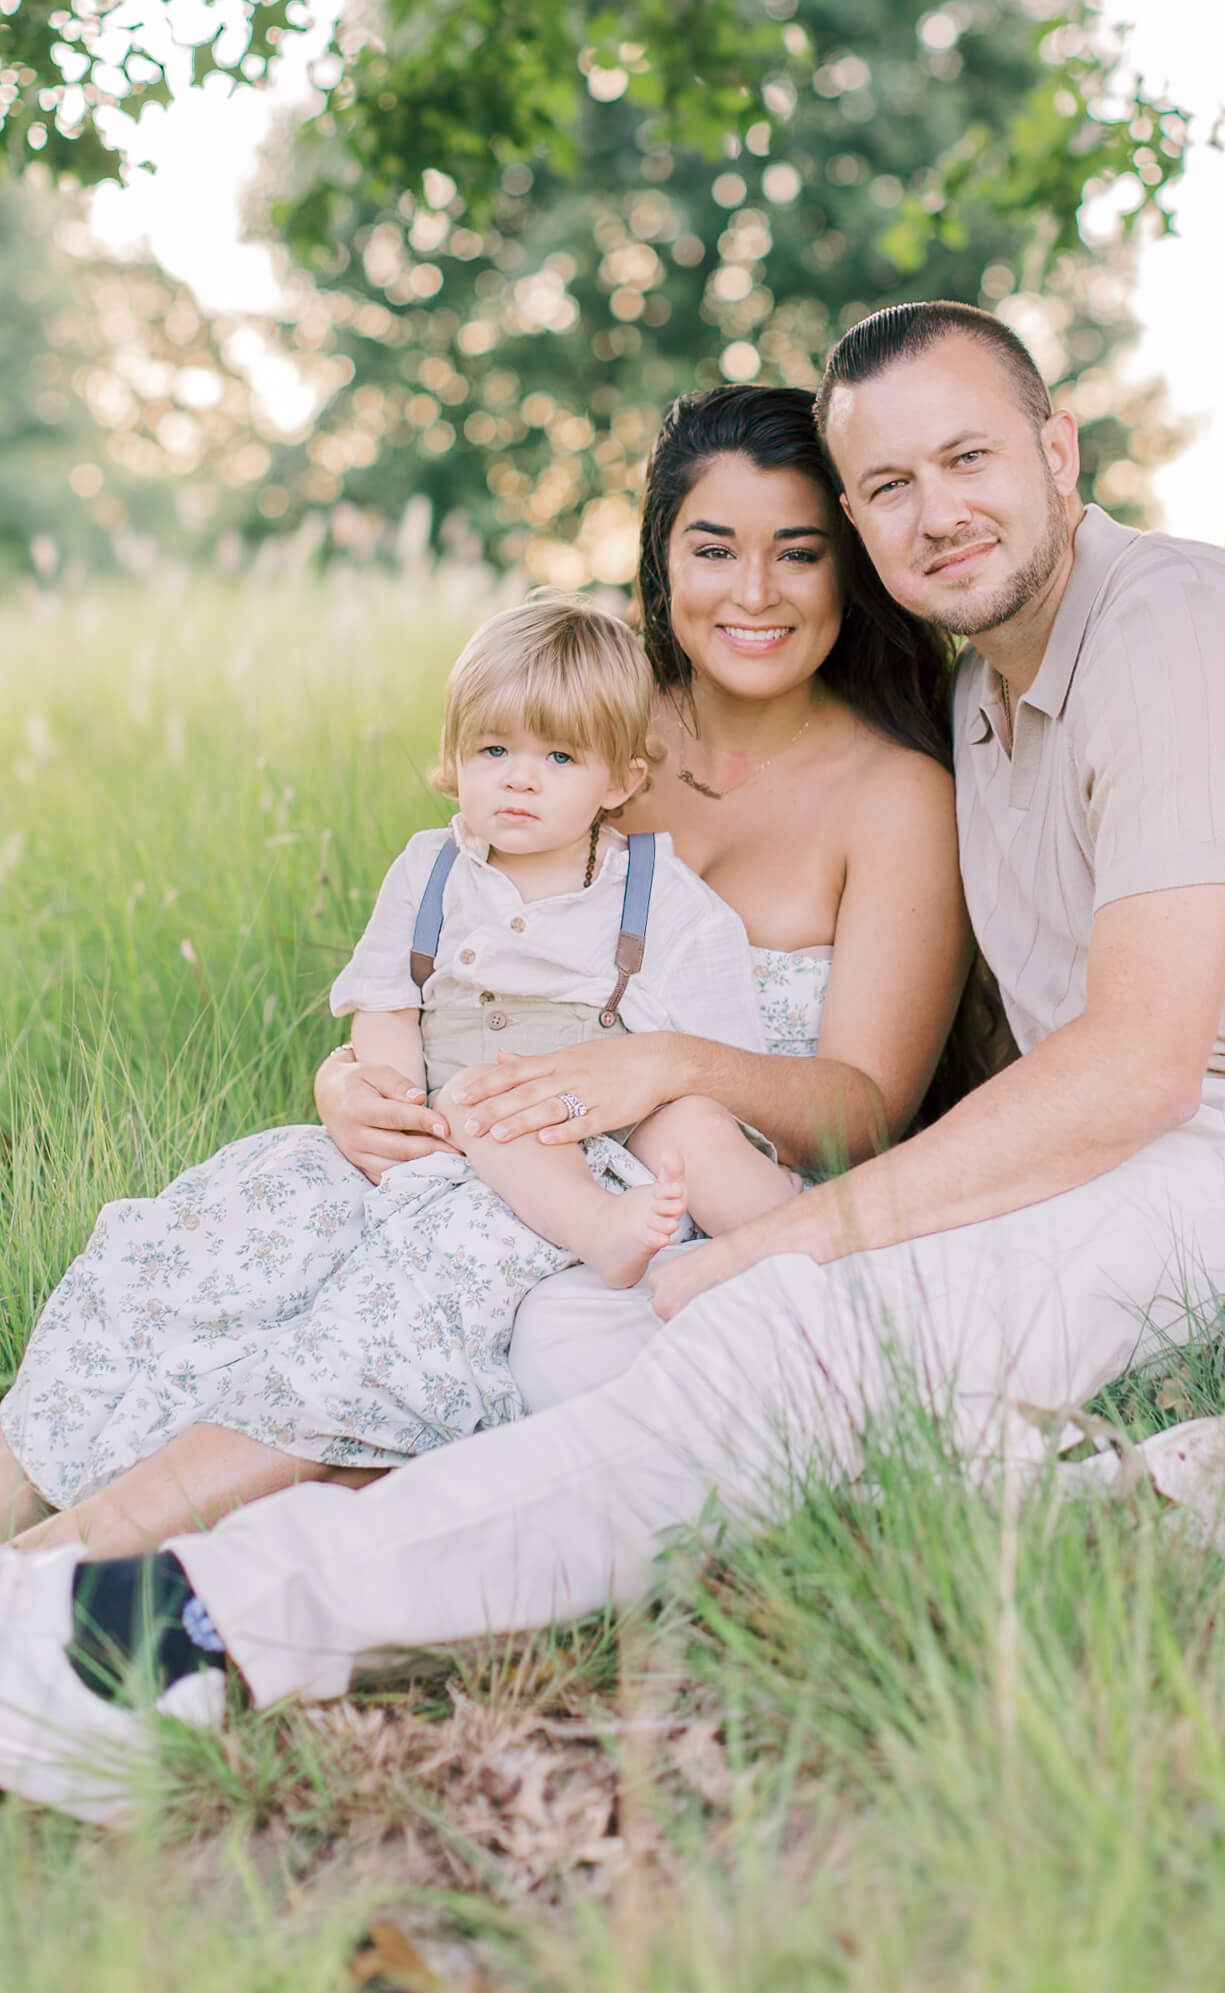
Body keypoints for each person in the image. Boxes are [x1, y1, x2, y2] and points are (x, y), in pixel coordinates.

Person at [0, 304, 1225, 1826]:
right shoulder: (988, 697)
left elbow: (1135, 1063)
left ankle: (181, 1626)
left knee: (779, 1332)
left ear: (1057, 448)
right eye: (887, 487)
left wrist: (786, 1235)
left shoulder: (1175, 630)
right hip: (1160, 1139)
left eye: (970, 458)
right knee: (581, 1338)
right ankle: (1114, 1497)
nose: (935, 512)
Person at [0, 384, 969, 1566]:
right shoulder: (572, 727)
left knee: (412, 1292)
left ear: (849, 570)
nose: (754, 591)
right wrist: (353, 1084)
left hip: (639, 1189)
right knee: (204, 1233)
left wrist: (653, 1068)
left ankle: (69, 1562)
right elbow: (429, 961)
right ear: (662, 564)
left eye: (799, 554)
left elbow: (865, 1111)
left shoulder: (893, 796)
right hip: (464, 1132)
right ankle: (27, 1491)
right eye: (713, 548)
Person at [2, 595, 825, 1560]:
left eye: (559, 758)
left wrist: (621, 1109)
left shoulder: (655, 891)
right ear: (452, 760)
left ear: (620, 778)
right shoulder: (431, 869)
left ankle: (82, 1546)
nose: (522, 781)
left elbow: (714, 1062)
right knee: (224, 1213)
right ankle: (41, 1458)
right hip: (429, 1138)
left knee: (451, 1222)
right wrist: (380, 1096)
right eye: (494, 752)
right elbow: (388, 1000)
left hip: (571, 1146)